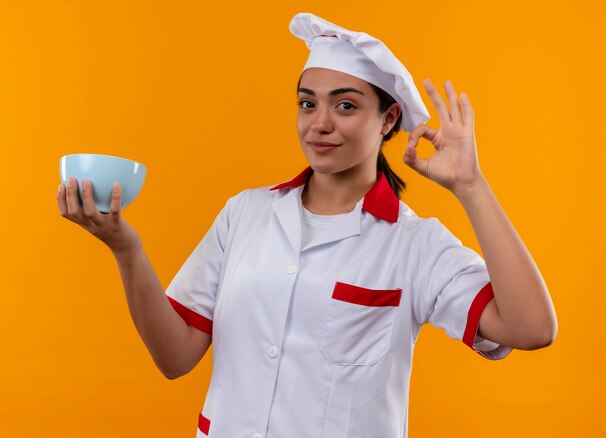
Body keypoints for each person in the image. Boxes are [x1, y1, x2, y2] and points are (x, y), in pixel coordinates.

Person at [57, 12, 557, 438]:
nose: (319, 123)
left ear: (388, 121)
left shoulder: (415, 245)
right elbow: (175, 356)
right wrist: (126, 249)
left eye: (345, 105)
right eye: (306, 102)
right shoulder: (245, 213)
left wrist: (471, 186)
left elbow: (532, 328)